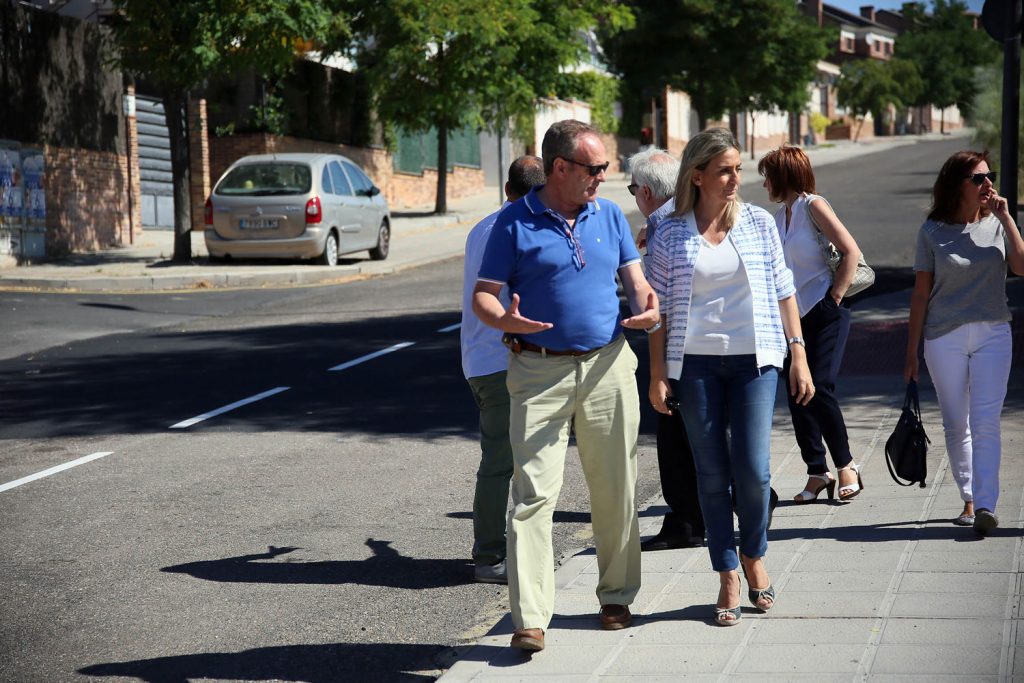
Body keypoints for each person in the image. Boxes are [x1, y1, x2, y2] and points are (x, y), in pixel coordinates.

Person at [473, 119, 660, 652]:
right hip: (537, 373)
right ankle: (530, 618)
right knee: (532, 496)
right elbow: (484, 297)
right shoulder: (513, 222)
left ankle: (617, 595)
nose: (603, 177)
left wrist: (649, 308)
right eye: (595, 168)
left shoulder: (609, 216)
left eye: (605, 168)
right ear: (560, 168)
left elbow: (637, 282)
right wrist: (506, 322)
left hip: (608, 366)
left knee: (616, 487)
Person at [645, 128, 814, 626]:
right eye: (725, 170)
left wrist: (798, 354)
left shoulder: (759, 222)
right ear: (697, 176)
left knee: (754, 471)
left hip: (755, 362)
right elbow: (656, 311)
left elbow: (785, 290)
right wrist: (658, 374)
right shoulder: (669, 230)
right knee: (711, 474)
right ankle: (726, 572)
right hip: (693, 364)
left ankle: (754, 554)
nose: (736, 178)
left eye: (739, 169)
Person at [904, 150, 1024, 535]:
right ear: (958, 185)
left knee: (986, 421)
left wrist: (1007, 217)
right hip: (944, 337)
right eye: (978, 178)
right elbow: (921, 295)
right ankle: (969, 498)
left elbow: (1021, 267)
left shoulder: (997, 224)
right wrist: (910, 352)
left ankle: (986, 504)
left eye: (991, 175)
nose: (988, 184)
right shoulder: (932, 232)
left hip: (993, 333)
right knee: (958, 424)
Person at [758, 146, 865, 504]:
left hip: (824, 311)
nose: (764, 183)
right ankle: (817, 472)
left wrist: (834, 298)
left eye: (768, 175)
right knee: (797, 395)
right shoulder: (778, 217)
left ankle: (847, 465)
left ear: (783, 175)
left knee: (819, 387)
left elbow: (850, 251)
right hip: (793, 320)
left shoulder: (812, 206)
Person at [460, 155, 547, 584]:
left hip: (478, 360)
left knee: (504, 457)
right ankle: (491, 556)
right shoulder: (521, 229)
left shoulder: (481, 228)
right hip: (504, 360)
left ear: (507, 188)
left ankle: (500, 550)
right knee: (503, 460)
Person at [628, 147, 705, 550]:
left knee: (675, 437)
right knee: (697, 432)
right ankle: (694, 517)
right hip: (701, 342)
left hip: (677, 346)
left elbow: (655, 301)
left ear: (644, 191)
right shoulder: (689, 214)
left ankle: (686, 523)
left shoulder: (663, 225)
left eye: (631, 189)